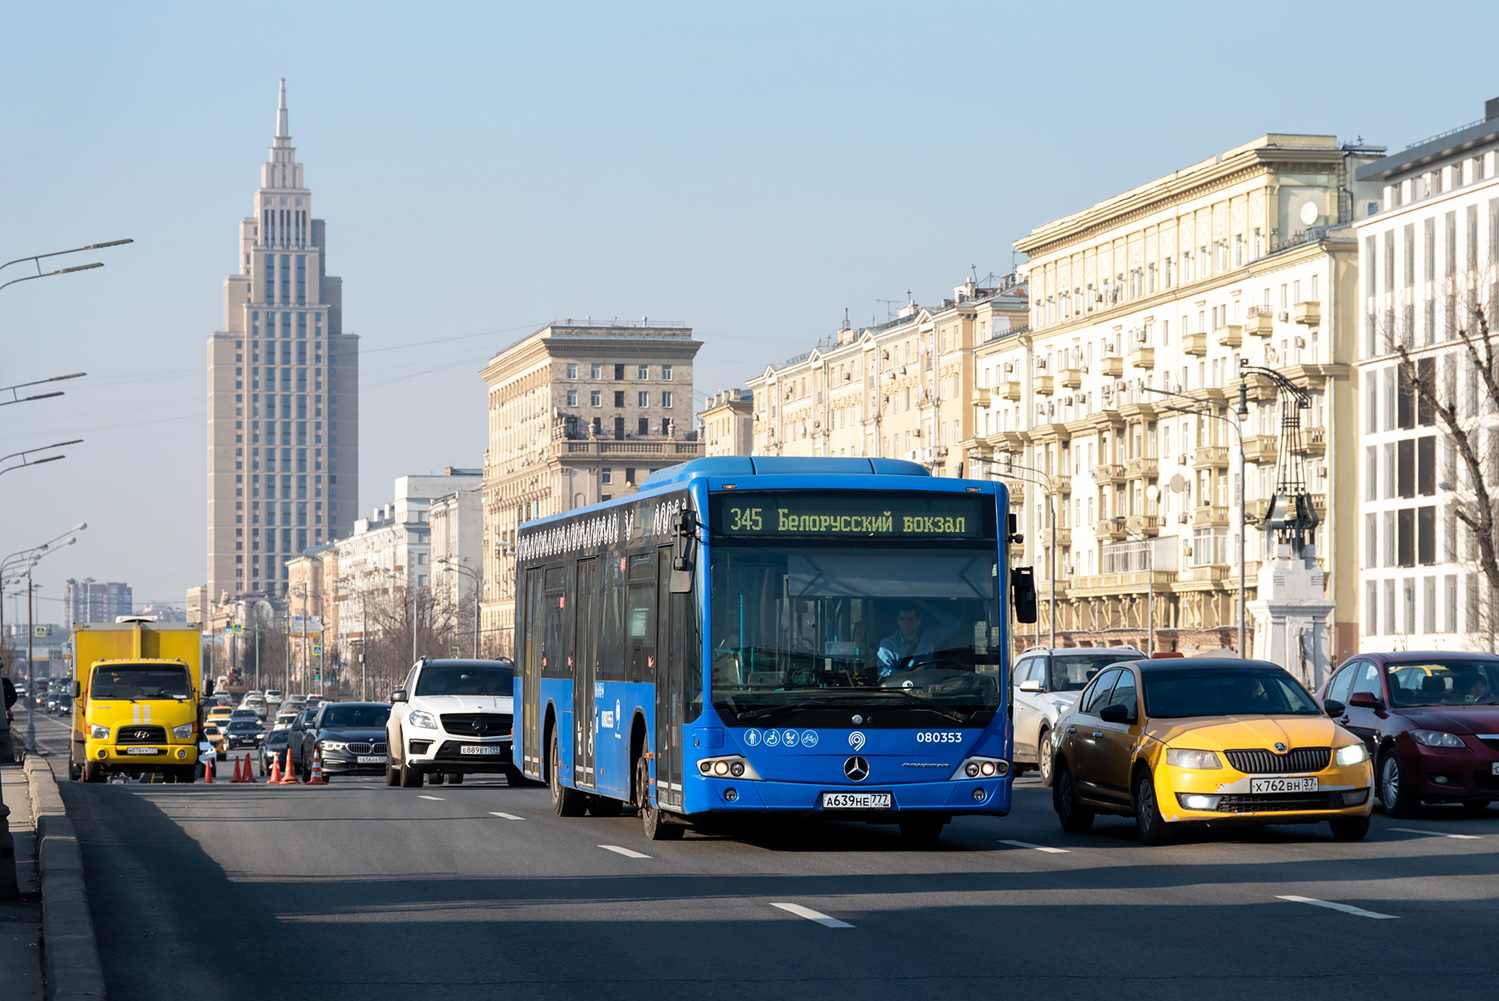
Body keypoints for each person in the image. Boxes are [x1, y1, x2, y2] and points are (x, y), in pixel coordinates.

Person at [877, 601, 959, 677]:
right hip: (898, 689)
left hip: (928, 687)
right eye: (902, 619)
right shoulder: (888, 644)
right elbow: (884, 671)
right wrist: (910, 675)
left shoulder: (929, 638)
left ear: (918, 620)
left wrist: (926, 605)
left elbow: (953, 624)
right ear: (898, 620)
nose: (906, 623)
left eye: (910, 619)